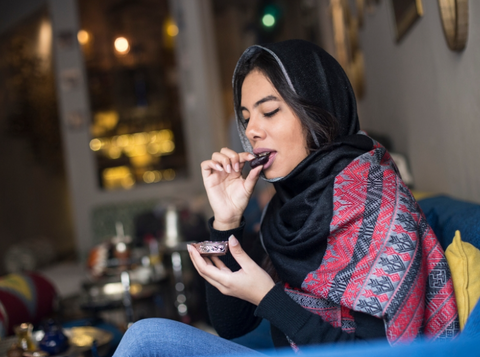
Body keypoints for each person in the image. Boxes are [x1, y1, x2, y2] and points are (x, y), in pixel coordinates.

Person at [112, 39, 459, 357]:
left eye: (270, 111)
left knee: (146, 341)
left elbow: (377, 352)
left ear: (319, 111)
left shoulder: (379, 209)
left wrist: (268, 297)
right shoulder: (289, 207)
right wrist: (226, 221)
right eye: (246, 118)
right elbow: (232, 325)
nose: (250, 131)